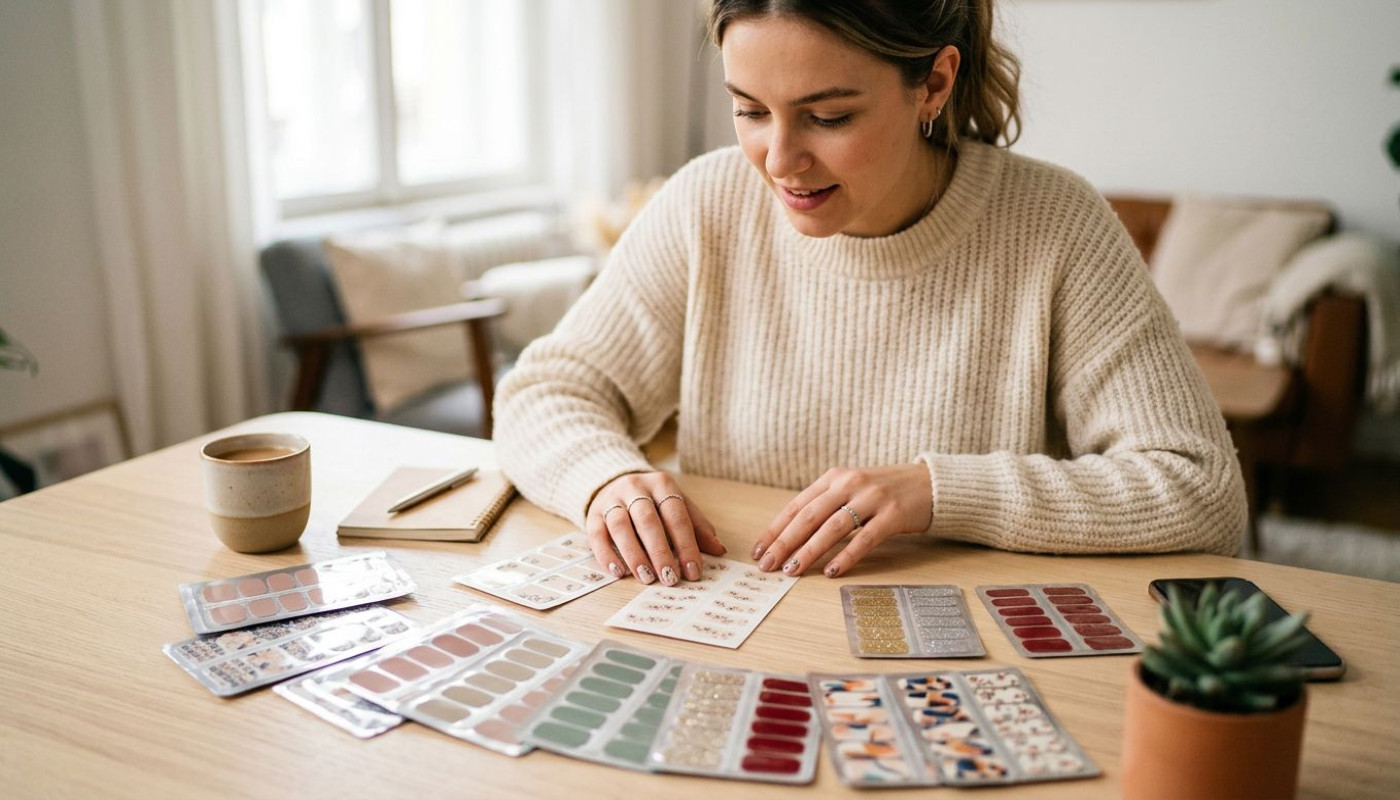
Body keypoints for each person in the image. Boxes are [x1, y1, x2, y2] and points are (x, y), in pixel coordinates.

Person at [494, 0, 1246, 588]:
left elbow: (1200, 487)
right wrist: (607, 479)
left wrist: (937, 492)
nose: (780, 161)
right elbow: (547, 391)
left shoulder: (1056, 225)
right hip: (743, 628)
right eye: (750, 110)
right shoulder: (706, 204)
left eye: (829, 116)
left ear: (935, 83)